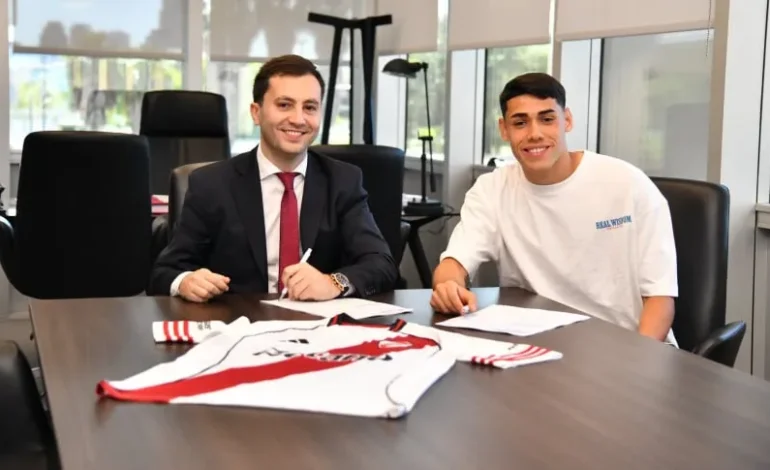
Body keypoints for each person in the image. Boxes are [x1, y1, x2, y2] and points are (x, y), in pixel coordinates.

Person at [431, 72, 678, 344]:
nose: (534, 134)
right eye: (520, 122)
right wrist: (448, 286)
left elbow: (660, 299)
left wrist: (638, 360)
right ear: (504, 129)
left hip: (627, 345)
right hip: (541, 346)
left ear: (567, 120)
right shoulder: (492, 190)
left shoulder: (628, 185)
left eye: (547, 119)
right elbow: (454, 263)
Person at [148, 54, 399, 302]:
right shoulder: (211, 184)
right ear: (256, 113)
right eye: (284, 105)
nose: (298, 119)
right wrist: (185, 281)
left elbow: (382, 263)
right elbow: (164, 273)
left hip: (316, 322)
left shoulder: (342, 180)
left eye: (310, 107)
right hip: (238, 320)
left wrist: (333, 282)